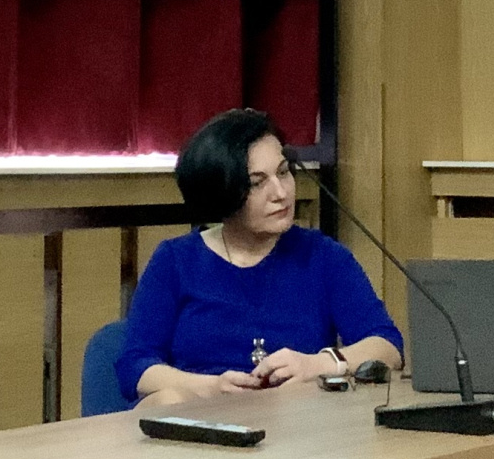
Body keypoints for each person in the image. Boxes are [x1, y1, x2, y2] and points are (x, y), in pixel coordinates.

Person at [113, 107, 404, 407]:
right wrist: (210, 387)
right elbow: (135, 366)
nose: (280, 193)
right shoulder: (175, 261)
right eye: (257, 182)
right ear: (222, 191)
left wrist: (318, 364)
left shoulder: (324, 256)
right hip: (201, 418)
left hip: (300, 422)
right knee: (167, 401)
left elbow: (388, 346)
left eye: (283, 172)